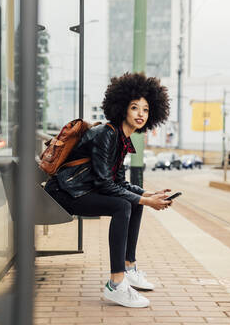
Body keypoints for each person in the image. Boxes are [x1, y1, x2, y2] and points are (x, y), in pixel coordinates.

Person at [45, 72, 172, 308]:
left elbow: (119, 183)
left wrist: (147, 195)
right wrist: (144, 200)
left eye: (145, 109)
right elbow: (105, 184)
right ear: (123, 108)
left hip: (81, 190)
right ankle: (116, 284)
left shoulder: (121, 139)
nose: (141, 114)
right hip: (65, 193)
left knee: (132, 201)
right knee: (123, 204)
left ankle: (129, 267)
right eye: (135, 108)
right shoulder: (106, 134)